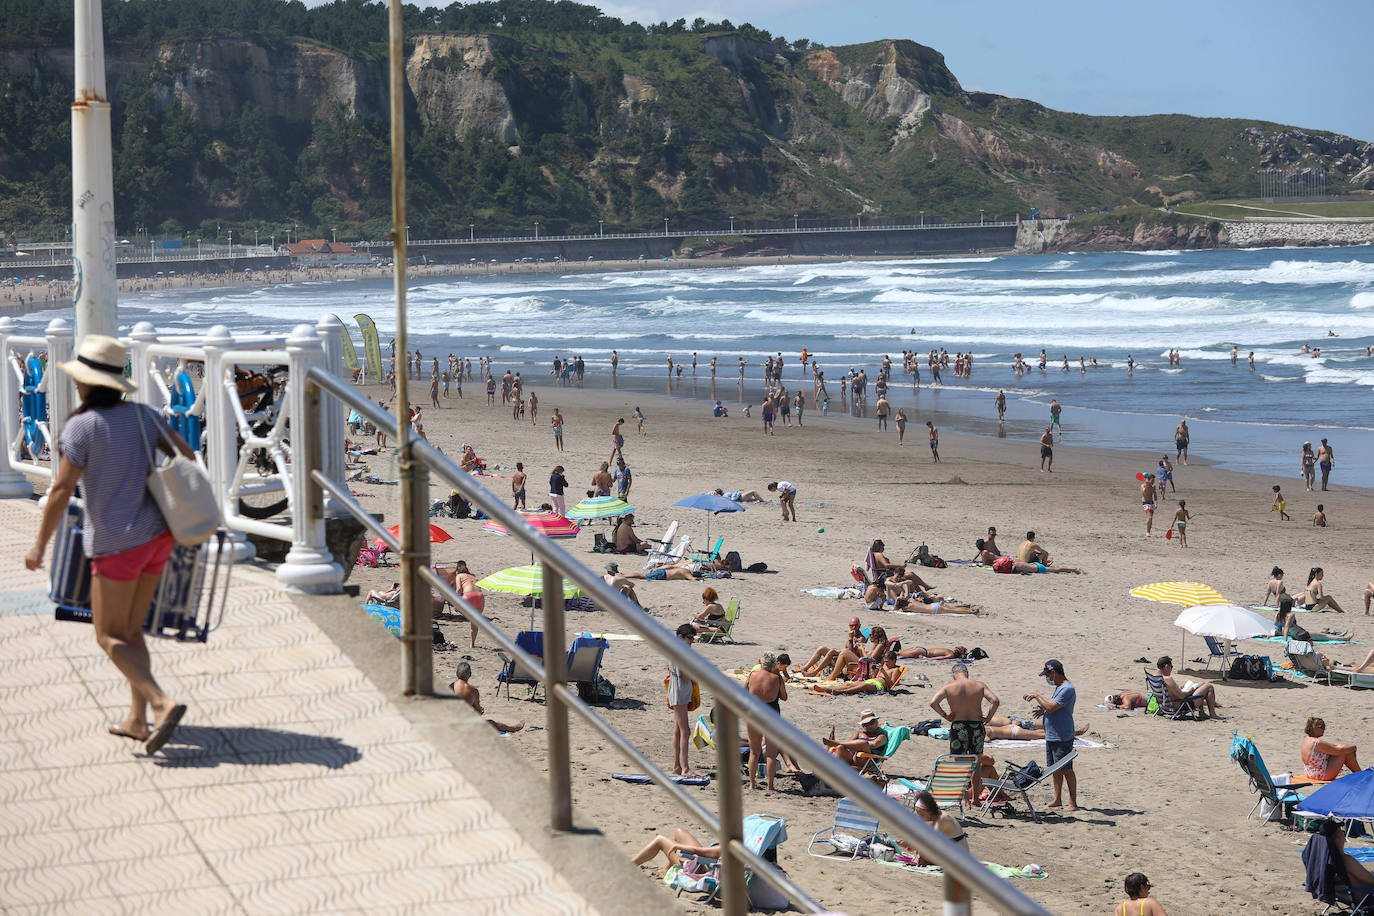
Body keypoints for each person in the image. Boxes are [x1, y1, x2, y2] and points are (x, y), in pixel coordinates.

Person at [25, 335, 191, 754]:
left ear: (84, 382)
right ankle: (137, 721)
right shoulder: (144, 415)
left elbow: (62, 490)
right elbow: (186, 454)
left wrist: (39, 546)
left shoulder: (82, 426)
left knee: (107, 635)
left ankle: (160, 701)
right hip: (158, 535)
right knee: (131, 631)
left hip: (118, 543)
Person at [930, 662, 999, 802]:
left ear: (954, 675)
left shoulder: (949, 686)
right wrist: (989, 717)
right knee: (977, 762)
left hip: (958, 726)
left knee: (958, 762)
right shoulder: (979, 685)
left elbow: (933, 703)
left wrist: (945, 715)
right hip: (977, 726)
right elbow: (995, 701)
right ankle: (976, 799)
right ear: (967, 673)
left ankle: (963, 797)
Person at [1023, 659, 1077, 811]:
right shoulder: (1059, 687)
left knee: (1067, 769)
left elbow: (1052, 707)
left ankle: (1073, 802)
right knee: (1055, 769)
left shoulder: (1068, 689)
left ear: (1053, 672)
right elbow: (1055, 707)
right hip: (1052, 734)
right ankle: (1057, 799)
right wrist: (1043, 711)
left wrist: (1037, 696)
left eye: (1048, 675)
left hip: (1062, 735)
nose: (1047, 678)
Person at [893, 790, 969, 867]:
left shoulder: (942, 818)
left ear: (930, 811)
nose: (920, 817)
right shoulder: (937, 817)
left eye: (922, 815)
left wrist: (909, 844)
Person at [451, 662, 524, 733]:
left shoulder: (450, 686)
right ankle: (513, 728)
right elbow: (478, 711)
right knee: (492, 723)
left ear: (456, 673)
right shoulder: (473, 690)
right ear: (470, 675)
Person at [745, 653, 783, 790]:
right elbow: (784, 697)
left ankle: (752, 783)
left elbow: (744, 692)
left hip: (754, 713)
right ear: (774, 664)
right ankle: (770, 785)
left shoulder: (752, 675)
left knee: (754, 751)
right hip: (771, 713)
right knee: (771, 754)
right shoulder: (777, 678)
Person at [667, 624, 698, 776]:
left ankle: (677, 767)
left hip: (677, 688)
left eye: (693, 638)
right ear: (681, 637)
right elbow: (686, 676)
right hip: (680, 690)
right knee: (685, 731)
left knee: (679, 730)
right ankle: (684, 768)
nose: (692, 641)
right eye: (690, 638)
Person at [631, 827, 720, 874]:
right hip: (707, 864)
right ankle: (667, 869)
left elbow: (699, 851)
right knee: (679, 831)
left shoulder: (728, 846)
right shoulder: (732, 844)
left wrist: (677, 846)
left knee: (660, 840)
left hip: (698, 869)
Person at [1156, 656, 1221, 719]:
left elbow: (1168, 692)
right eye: (1171, 666)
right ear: (1167, 667)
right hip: (1180, 705)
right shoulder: (1168, 679)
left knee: (1202, 684)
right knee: (1209, 687)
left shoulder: (1156, 677)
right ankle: (1212, 714)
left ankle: (1202, 713)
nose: (1171, 669)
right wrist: (1191, 689)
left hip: (1166, 705)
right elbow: (1181, 696)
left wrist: (1179, 689)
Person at [1302, 716, 1361, 784]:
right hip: (1320, 775)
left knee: (1345, 749)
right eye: (1322, 727)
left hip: (1309, 773)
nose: (1324, 729)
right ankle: (1360, 774)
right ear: (1315, 728)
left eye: (1324, 726)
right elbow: (1339, 750)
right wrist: (1354, 748)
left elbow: (1333, 746)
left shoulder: (1307, 740)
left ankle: (1359, 773)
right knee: (1346, 752)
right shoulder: (1317, 743)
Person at [822, 710, 889, 768]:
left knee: (864, 743)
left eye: (872, 722)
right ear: (863, 725)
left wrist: (859, 744)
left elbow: (874, 745)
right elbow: (848, 744)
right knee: (840, 747)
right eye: (866, 724)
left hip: (867, 760)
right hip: (851, 758)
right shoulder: (859, 734)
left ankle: (835, 743)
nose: (870, 726)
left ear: (877, 721)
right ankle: (832, 769)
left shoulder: (882, 736)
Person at [812, 652, 903, 694]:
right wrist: (875, 671)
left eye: (888, 661)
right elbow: (874, 677)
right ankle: (826, 689)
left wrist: (883, 672)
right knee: (851, 684)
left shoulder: (895, 670)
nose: (886, 663)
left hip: (880, 686)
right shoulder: (884, 667)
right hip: (872, 681)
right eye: (885, 661)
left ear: (894, 660)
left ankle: (840, 692)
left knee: (862, 687)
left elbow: (891, 684)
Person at [1140, 472, 1157, 537]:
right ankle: (1147, 532)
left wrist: (1156, 503)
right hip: (1145, 503)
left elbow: (1155, 495)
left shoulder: (1153, 486)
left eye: (1154, 480)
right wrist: (1147, 486)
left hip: (1151, 503)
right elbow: (1144, 494)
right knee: (1149, 517)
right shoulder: (1143, 486)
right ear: (1149, 480)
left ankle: (1149, 531)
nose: (1153, 482)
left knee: (1151, 518)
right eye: (1152, 480)